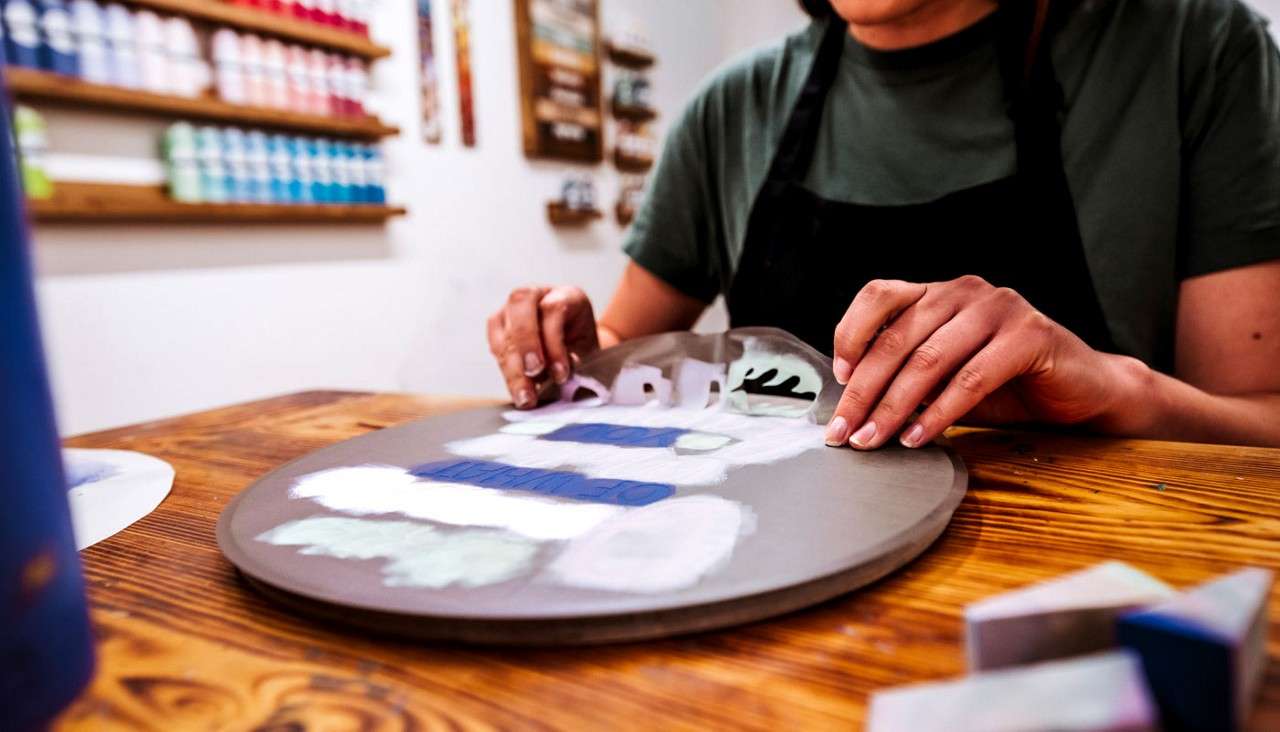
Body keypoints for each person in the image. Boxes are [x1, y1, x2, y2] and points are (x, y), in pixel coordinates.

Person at [488, 0, 1280, 449]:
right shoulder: (733, 108)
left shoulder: (1191, 51)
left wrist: (1116, 387)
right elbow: (625, 347)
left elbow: (1262, 424)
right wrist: (574, 359)